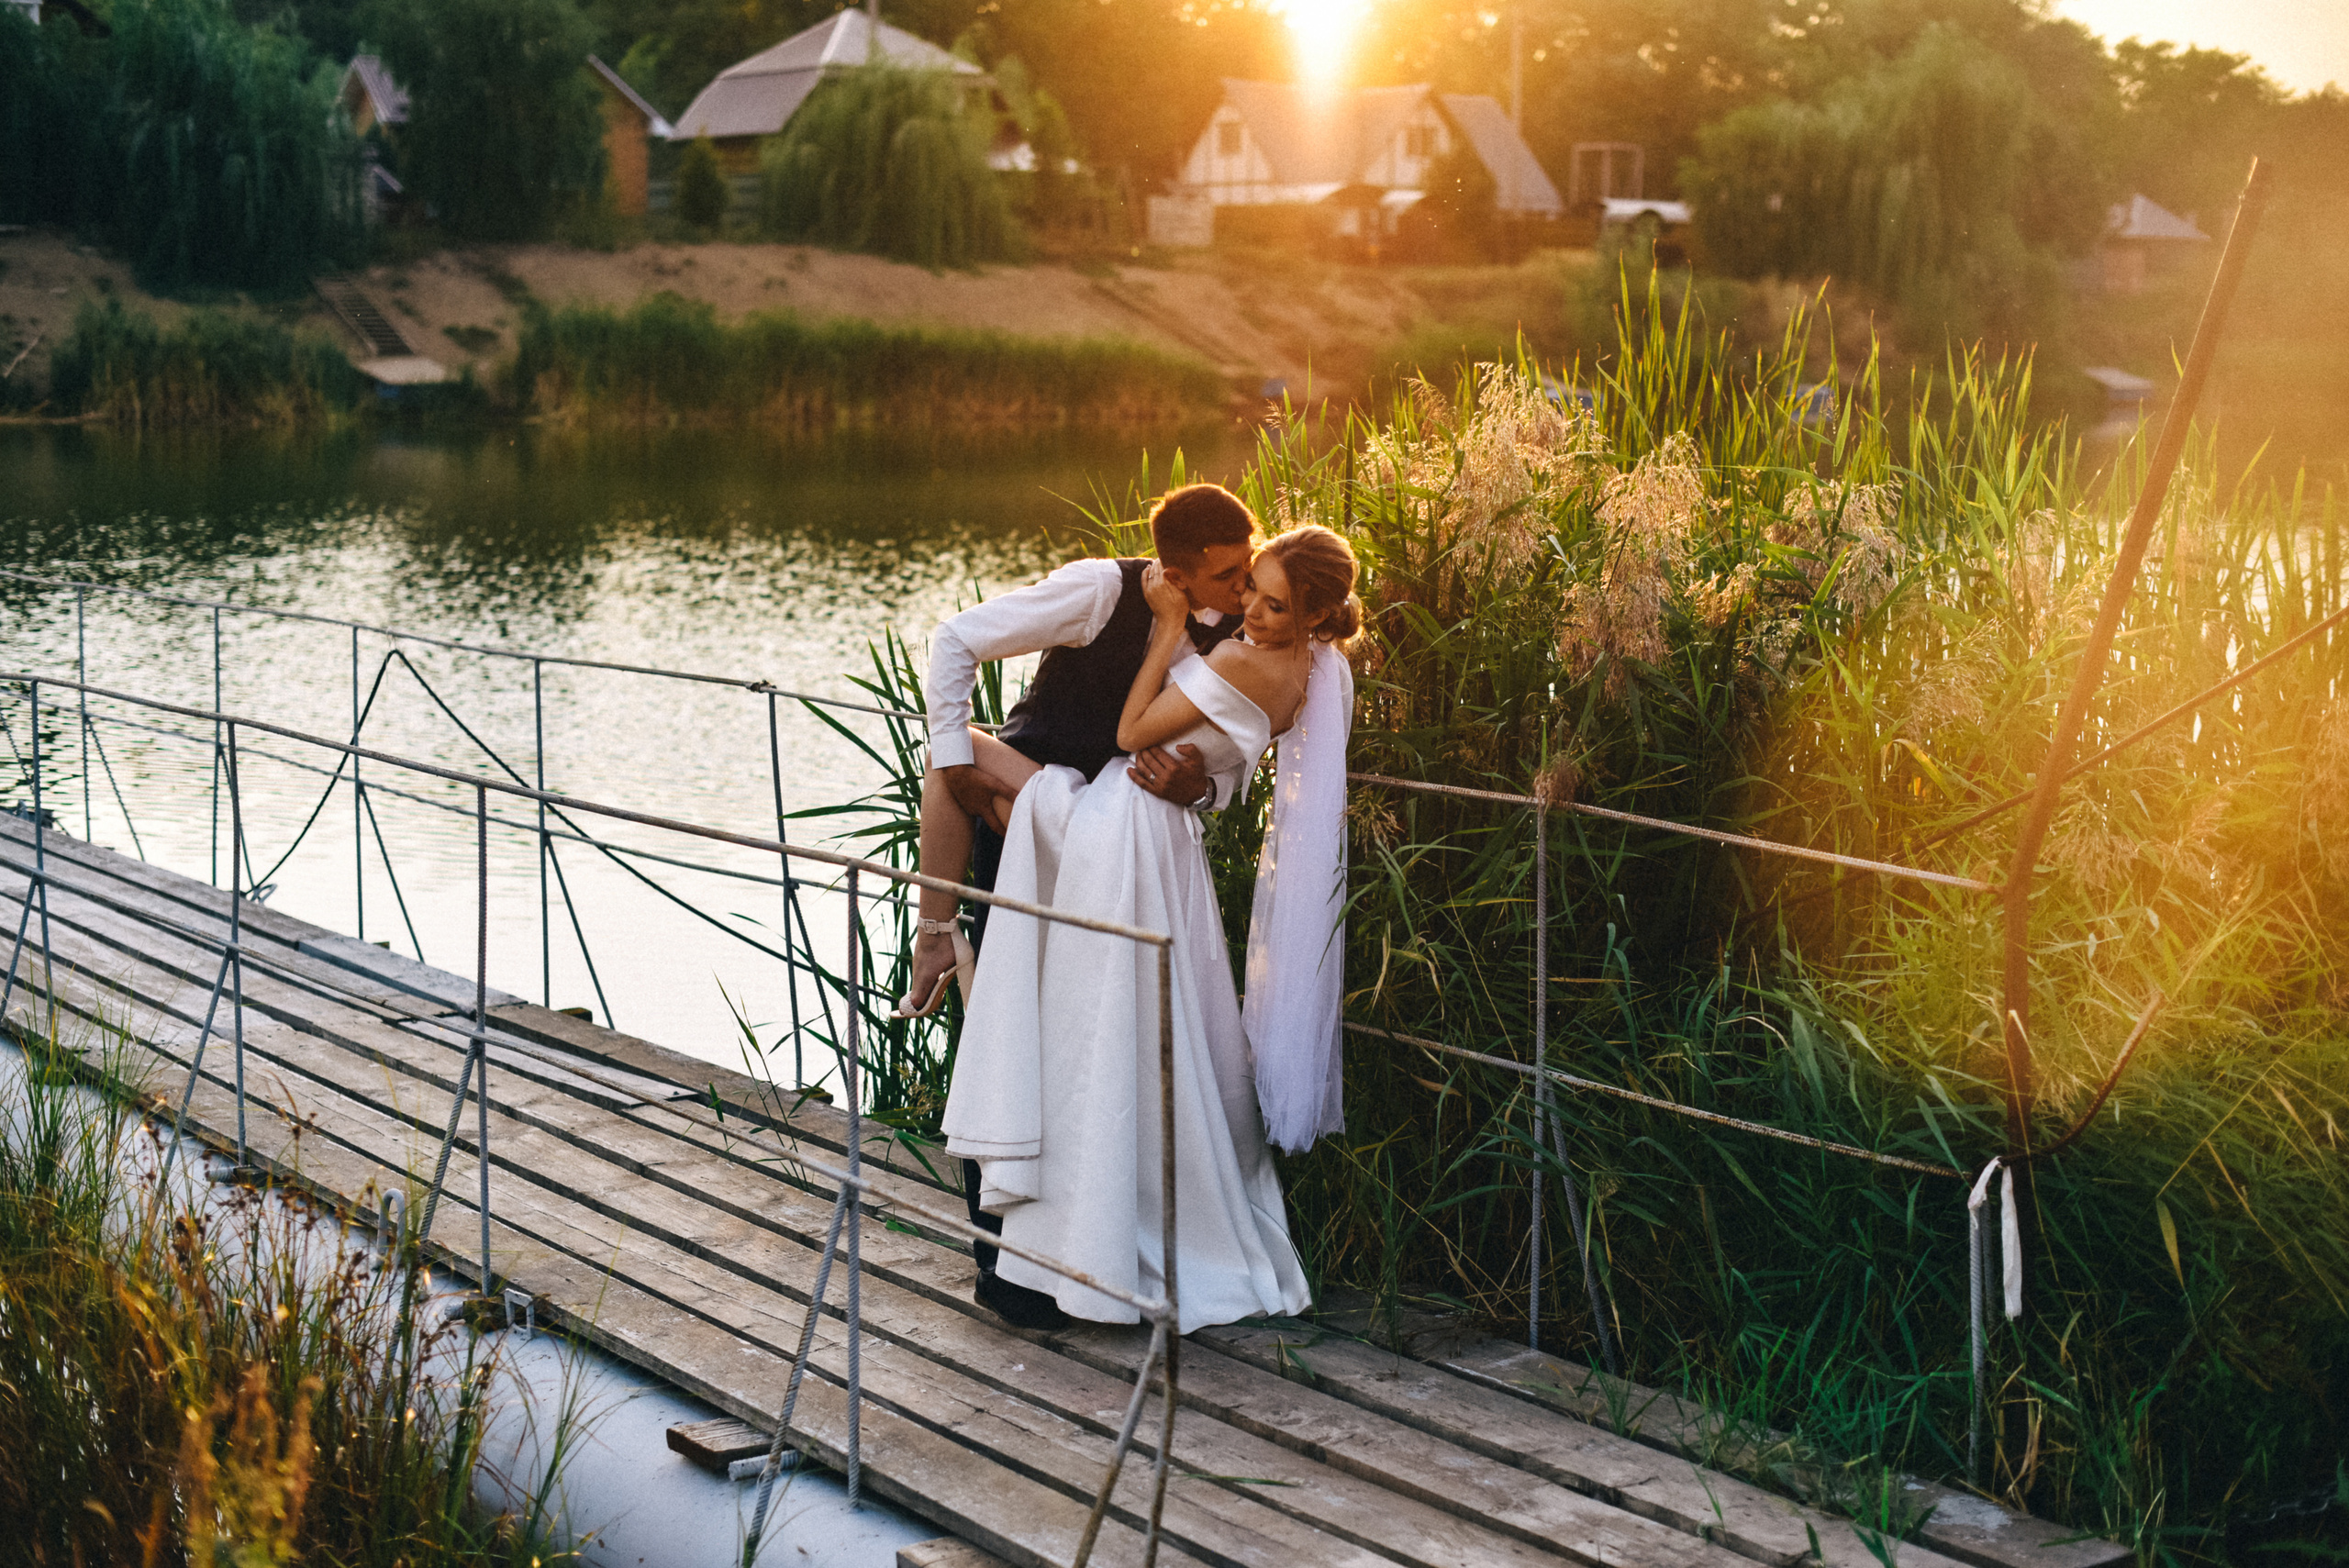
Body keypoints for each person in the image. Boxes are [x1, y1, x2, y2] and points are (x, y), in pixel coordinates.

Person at [941, 525, 1360, 1333]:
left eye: (1274, 604)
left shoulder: (1239, 659)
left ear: (1311, 612)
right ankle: (1088, 1225)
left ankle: (944, 932)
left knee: (970, 764)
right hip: (1170, 850)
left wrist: (1168, 628)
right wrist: (1205, 783)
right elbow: (1235, 762)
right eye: (1251, 591)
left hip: (1127, 826)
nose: (1251, 613)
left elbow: (1134, 734)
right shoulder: (1313, 672)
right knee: (1133, 1012)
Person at [904, 484, 1259, 1326]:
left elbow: (1238, 756)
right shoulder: (1101, 590)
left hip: (1118, 861)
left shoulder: (1247, 627)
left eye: (1249, 568)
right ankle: (1005, 1274)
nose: (1245, 590)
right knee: (1010, 1032)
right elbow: (954, 639)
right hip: (1018, 828)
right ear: (1174, 575)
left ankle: (1096, 1247)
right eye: (1228, 576)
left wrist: (1204, 787)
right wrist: (956, 759)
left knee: (1093, 1047)